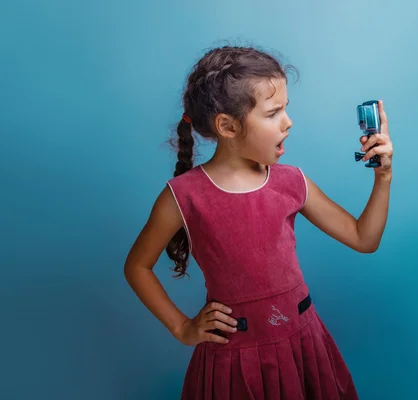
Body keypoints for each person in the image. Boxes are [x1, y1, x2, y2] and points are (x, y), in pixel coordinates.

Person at [124, 45, 393, 400]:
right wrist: (182, 327)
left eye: (286, 109)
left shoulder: (292, 182)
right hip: (234, 365)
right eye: (273, 112)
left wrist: (383, 177)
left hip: (304, 349)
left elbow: (364, 238)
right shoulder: (182, 196)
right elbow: (137, 267)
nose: (288, 121)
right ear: (227, 126)